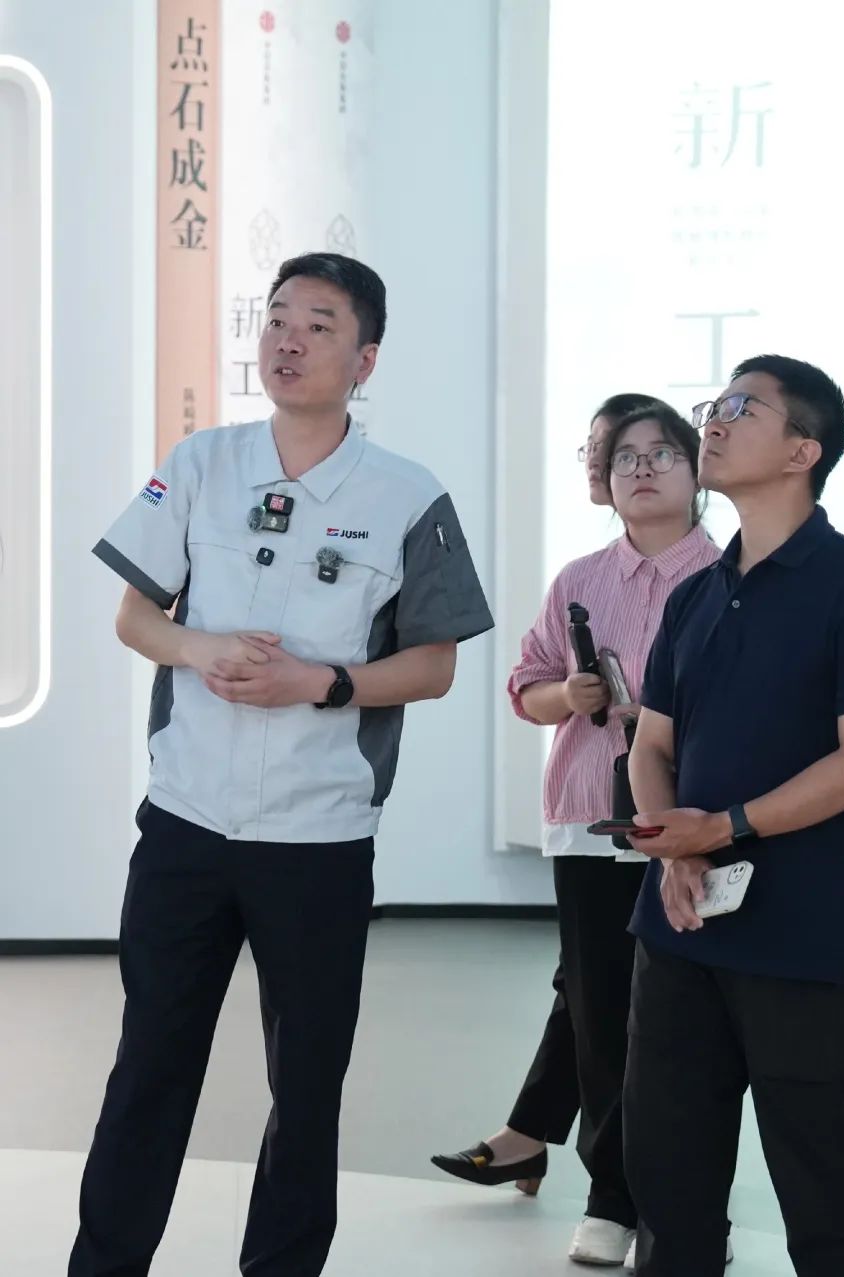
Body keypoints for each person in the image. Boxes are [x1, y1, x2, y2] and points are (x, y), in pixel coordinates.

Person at [70, 252, 493, 1277]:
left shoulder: (407, 495)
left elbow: (434, 664)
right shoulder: (203, 462)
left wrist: (323, 682)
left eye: (319, 324)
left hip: (319, 836)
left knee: (306, 1085)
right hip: (185, 823)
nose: (288, 340)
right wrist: (198, 646)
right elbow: (135, 617)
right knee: (149, 1066)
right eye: (276, 319)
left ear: (365, 360)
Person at [624, 354, 844, 1277]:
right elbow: (651, 746)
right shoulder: (696, 593)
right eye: (714, 404)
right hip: (680, 927)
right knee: (668, 1176)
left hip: (803, 934)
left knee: (822, 1182)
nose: (712, 421)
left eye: (742, 408)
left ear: (803, 450)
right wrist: (673, 850)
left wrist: (722, 829)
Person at [433, 400, 721, 1268]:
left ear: (698, 469)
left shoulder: (728, 576)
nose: (643, 468)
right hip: (592, 820)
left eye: (663, 452)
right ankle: (612, 1196)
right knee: (600, 1016)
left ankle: (680, 1205)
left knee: (686, 1024)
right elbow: (526, 686)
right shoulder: (580, 578)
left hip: (694, 824)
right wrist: (573, 696)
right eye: (625, 456)